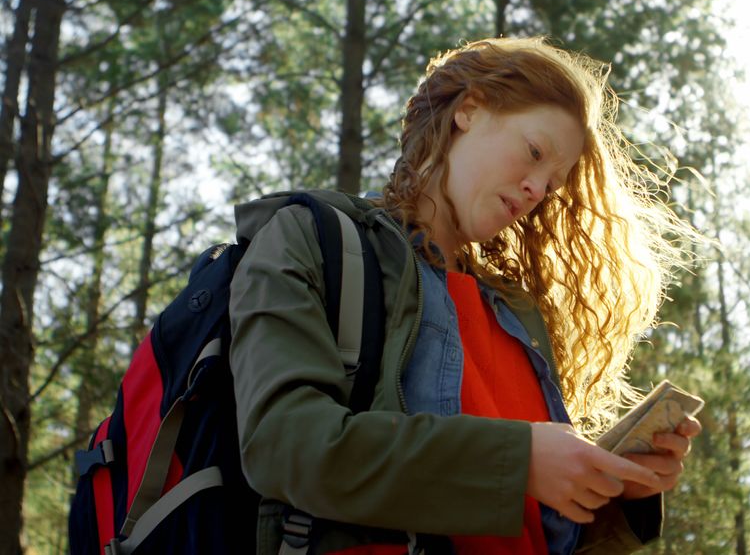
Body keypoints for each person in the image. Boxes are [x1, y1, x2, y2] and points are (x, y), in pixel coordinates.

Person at [229, 37, 702, 554]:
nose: (536, 191)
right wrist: (519, 462)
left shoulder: (519, 315)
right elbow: (283, 445)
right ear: (469, 111)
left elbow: (533, 534)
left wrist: (616, 492)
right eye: (534, 152)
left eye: (552, 185)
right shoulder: (314, 239)